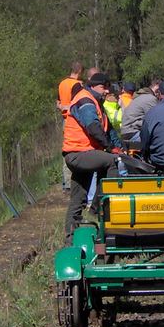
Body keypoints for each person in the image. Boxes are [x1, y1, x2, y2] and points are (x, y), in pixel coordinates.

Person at [62, 72, 122, 239]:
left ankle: (70, 238)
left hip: (83, 153)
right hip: (78, 153)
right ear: (93, 85)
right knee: (111, 162)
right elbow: (93, 128)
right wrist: (110, 149)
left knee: (78, 198)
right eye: (103, 87)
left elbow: (108, 130)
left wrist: (121, 147)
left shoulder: (95, 102)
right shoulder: (86, 100)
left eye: (107, 88)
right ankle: (98, 207)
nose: (105, 91)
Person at [57, 61, 84, 191]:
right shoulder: (77, 85)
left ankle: (66, 182)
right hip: (74, 120)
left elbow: (58, 103)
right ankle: (76, 181)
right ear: (79, 71)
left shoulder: (62, 84)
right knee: (77, 149)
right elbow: (79, 103)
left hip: (64, 119)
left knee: (66, 150)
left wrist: (63, 107)